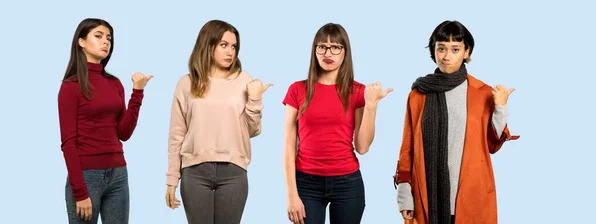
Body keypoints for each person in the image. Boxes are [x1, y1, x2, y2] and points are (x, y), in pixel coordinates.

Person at [393, 20, 520, 224]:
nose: (446, 56)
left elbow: (493, 144)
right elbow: (407, 149)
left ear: (466, 52)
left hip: (472, 197)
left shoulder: (483, 93)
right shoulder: (418, 94)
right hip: (427, 195)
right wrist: (405, 199)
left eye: (455, 49)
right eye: (441, 48)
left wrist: (501, 108)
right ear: (433, 51)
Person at [283, 23, 392, 224]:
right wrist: (292, 196)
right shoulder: (297, 90)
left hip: (347, 183)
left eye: (335, 47)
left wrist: (371, 105)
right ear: (314, 50)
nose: (328, 52)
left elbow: (363, 147)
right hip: (306, 182)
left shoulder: (357, 91)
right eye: (322, 46)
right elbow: (289, 146)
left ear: (345, 52)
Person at [164, 20, 271, 224]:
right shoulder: (186, 83)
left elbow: (253, 130)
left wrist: (255, 99)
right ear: (208, 44)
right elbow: (176, 135)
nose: (230, 52)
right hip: (194, 172)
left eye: (234, 46)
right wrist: (171, 179)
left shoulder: (244, 80)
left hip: (233, 171)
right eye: (224, 45)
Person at [58, 18, 152, 224]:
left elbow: (124, 133)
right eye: (98, 36)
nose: (106, 42)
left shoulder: (114, 83)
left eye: (109, 38)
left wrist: (138, 93)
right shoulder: (70, 87)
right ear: (81, 42)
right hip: (86, 177)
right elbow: (68, 143)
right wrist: (80, 191)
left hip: (118, 174)